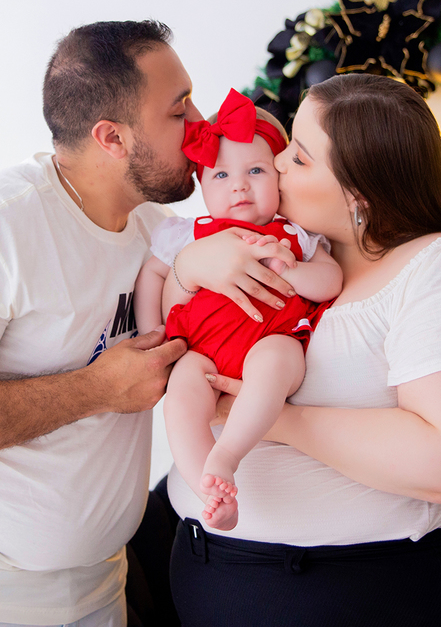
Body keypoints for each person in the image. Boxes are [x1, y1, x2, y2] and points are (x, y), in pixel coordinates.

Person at [0, 21, 293, 627]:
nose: (202, 125)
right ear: (111, 137)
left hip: (94, 587)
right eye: (179, 108)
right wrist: (98, 390)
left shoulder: (156, 230)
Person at [166, 74, 441, 626]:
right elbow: (172, 331)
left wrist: (276, 421)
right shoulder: (277, 247)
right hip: (217, 575)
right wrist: (189, 268)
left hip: (375, 593)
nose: (277, 163)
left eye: (300, 158)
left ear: (359, 194)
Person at [133, 90, 342, 532]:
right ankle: (204, 482)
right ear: (201, 184)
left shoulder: (296, 233)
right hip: (202, 349)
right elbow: (152, 276)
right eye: (221, 174)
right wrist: (154, 338)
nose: (238, 185)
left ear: (279, 174)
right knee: (182, 396)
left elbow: (331, 281)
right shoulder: (187, 233)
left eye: (255, 170)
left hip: (272, 339)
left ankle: (226, 455)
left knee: (276, 361)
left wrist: (292, 269)